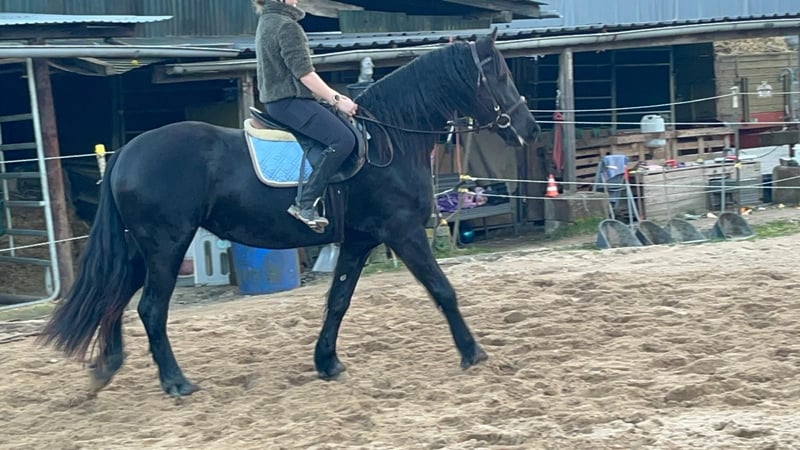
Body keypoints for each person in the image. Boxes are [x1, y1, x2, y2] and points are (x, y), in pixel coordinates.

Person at [253, 0, 358, 232]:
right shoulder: (287, 26)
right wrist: (337, 100)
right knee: (343, 140)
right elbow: (305, 74)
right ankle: (305, 203)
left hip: (277, 102)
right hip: (291, 101)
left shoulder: (267, 21)